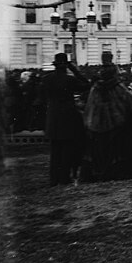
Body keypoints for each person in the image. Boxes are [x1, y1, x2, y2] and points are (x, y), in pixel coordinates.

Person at [82, 53, 132, 182]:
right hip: (115, 119)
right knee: (115, 147)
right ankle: (114, 171)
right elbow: (127, 99)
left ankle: (99, 171)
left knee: (99, 147)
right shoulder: (117, 86)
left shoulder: (96, 87)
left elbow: (90, 105)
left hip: (97, 121)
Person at [42, 53, 87, 187]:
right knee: (67, 149)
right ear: (65, 65)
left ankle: (53, 179)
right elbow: (86, 84)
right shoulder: (69, 80)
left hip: (52, 115)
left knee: (55, 150)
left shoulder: (46, 79)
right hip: (67, 115)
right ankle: (64, 177)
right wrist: (75, 70)